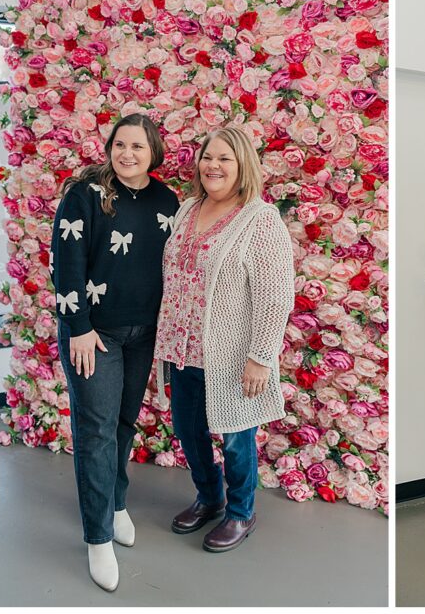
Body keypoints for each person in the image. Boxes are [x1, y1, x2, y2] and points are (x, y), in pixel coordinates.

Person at [51, 113, 179, 592]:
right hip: (94, 336)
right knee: (97, 430)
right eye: (120, 144)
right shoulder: (84, 196)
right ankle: (98, 536)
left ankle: (116, 502)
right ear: (109, 148)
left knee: (125, 422)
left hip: (143, 333)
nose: (127, 154)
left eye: (138, 147)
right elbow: (65, 264)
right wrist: (78, 328)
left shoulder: (168, 201)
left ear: (153, 153)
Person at [154, 125, 294, 553]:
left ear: (242, 166)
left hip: (231, 353)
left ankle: (240, 512)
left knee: (235, 438)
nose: (213, 166)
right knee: (188, 430)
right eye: (208, 157)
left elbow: (276, 295)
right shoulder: (188, 209)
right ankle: (209, 496)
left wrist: (260, 357)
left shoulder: (259, 219)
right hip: (182, 347)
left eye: (224, 159)